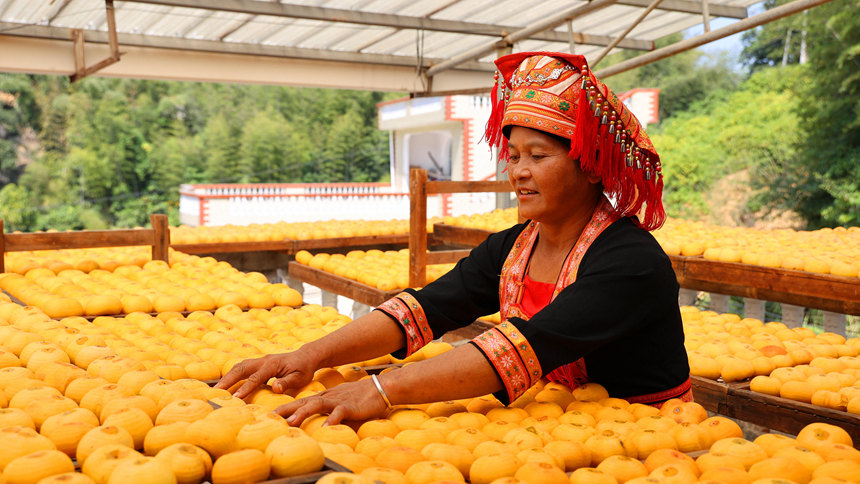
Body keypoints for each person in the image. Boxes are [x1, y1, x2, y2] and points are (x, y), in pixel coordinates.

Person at [216, 51, 691, 426]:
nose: (519, 172)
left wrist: (383, 390)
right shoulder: (512, 248)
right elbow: (423, 309)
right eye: (513, 155)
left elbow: (527, 344)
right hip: (558, 428)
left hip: (652, 443)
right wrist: (307, 356)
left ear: (589, 165)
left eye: (538, 155)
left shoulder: (630, 262)